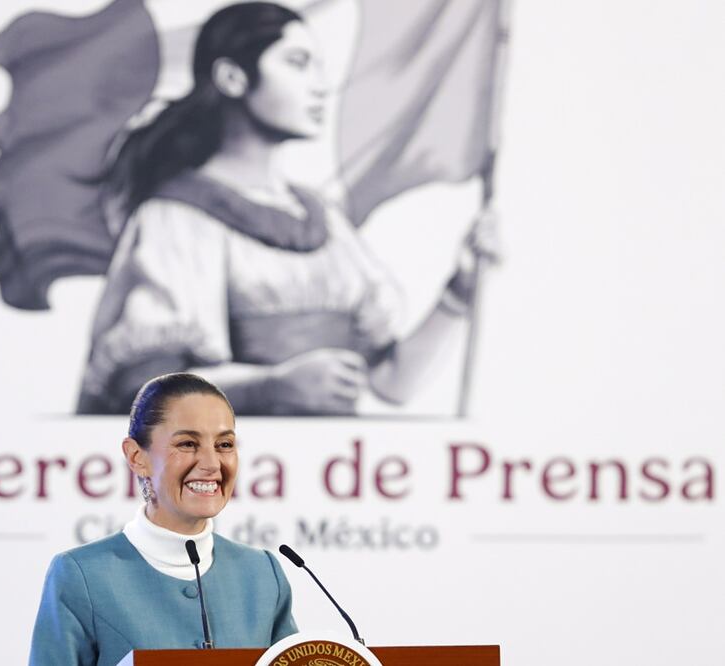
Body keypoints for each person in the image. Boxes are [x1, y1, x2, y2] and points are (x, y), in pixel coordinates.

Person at [77, 2, 500, 416]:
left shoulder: (324, 221)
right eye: (297, 63)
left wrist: (459, 292)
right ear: (232, 77)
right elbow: (144, 393)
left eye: (318, 66)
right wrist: (270, 386)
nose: (320, 85)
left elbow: (392, 384)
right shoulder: (176, 218)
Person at [29, 373, 298, 665]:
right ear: (136, 457)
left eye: (224, 445)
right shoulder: (81, 576)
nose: (211, 464)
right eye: (187, 444)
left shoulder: (262, 573)